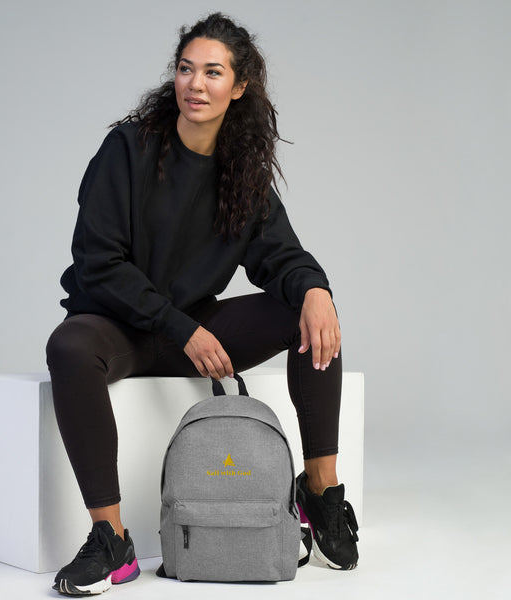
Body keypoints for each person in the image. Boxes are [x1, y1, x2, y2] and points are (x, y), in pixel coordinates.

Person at [46, 12, 359, 596]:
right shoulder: (127, 150)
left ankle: (320, 490)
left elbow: (283, 255)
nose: (195, 83)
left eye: (213, 72)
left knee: (310, 313)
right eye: (186, 69)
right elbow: (98, 262)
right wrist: (180, 327)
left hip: (191, 331)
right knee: (68, 347)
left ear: (238, 87)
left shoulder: (242, 173)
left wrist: (317, 290)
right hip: (118, 327)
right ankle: (111, 540)